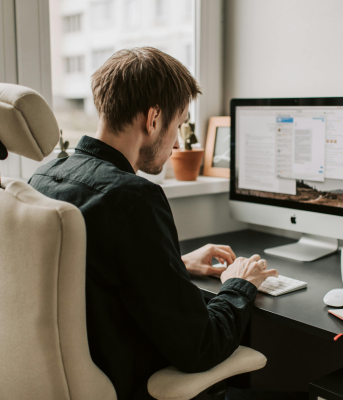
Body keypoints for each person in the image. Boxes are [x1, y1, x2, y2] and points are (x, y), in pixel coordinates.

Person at [29, 47, 309, 400]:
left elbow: (90, 273)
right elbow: (201, 347)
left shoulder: (45, 176)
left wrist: (175, 264)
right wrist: (239, 285)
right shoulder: (133, 199)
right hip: (132, 384)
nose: (178, 142)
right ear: (154, 118)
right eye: (178, 125)